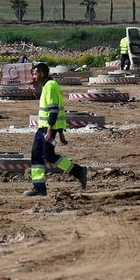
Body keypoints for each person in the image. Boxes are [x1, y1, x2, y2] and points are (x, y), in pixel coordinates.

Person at [25, 62, 88, 196]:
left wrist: (50, 130)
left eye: (35, 74)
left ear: (42, 74)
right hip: (45, 127)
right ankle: (39, 186)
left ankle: (77, 171)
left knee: (48, 155)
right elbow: (58, 110)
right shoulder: (49, 85)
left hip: (47, 128)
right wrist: (60, 133)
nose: (34, 77)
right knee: (36, 153)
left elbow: (54, 110)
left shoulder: (50, 87)